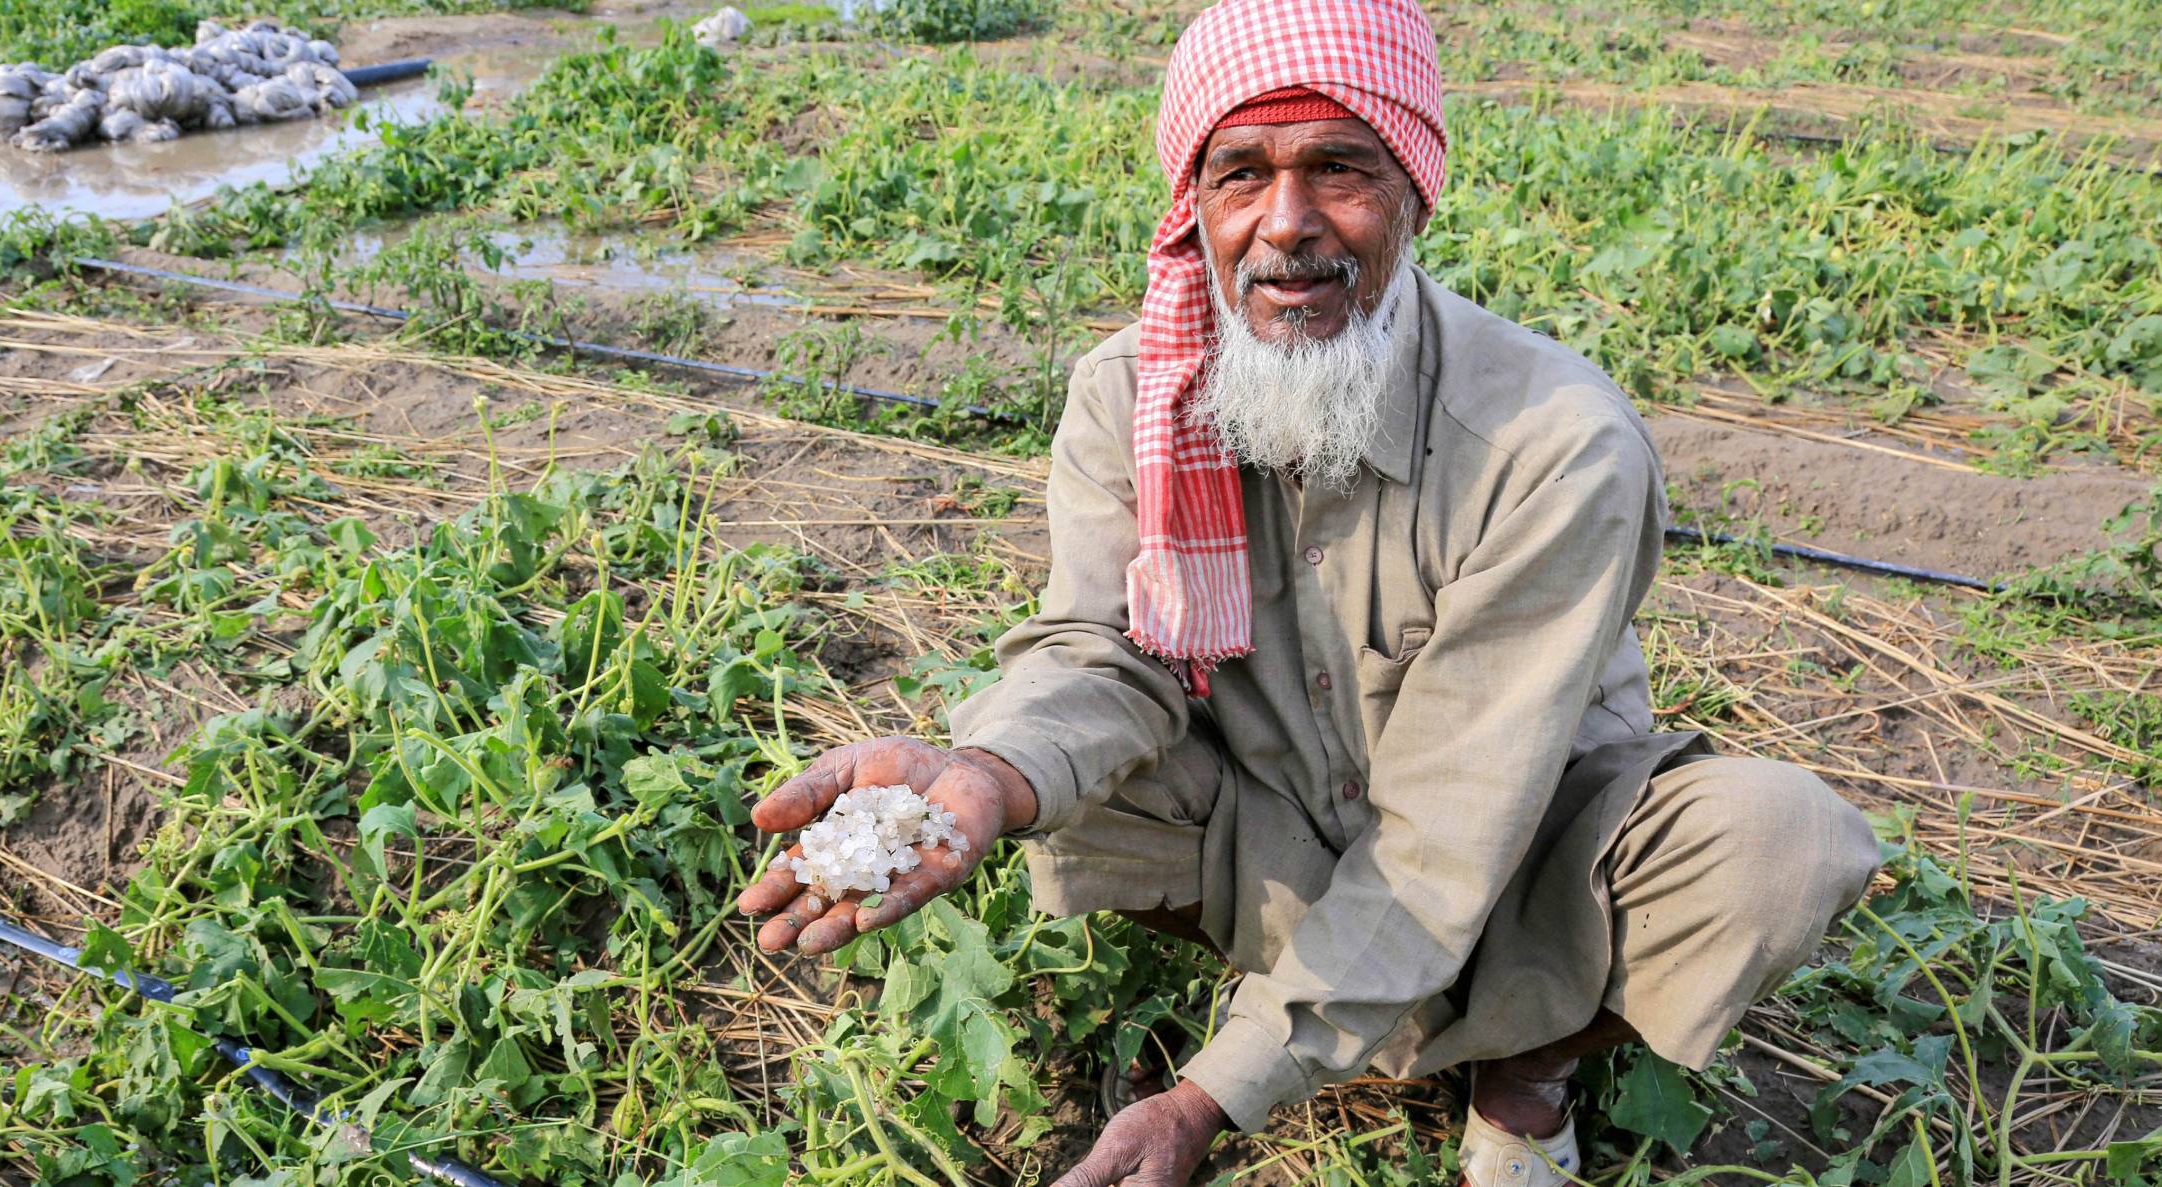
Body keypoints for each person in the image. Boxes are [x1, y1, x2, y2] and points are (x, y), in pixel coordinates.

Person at [734, 0, 1881, 1182]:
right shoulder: (1130, 393)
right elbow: (1103, 653)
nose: (1287, 226)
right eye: (1241, 175)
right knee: (1060, 776)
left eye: (1339, 168)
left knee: (1772, 846)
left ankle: (1522, 1067)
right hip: (1274, 820)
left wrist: (1205, 1101)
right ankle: (1343, 999)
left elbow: (1451, 826)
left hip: (1524, 846)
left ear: (1413, 191)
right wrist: (982, 775)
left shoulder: (1554, 440)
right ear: (1196, 204)